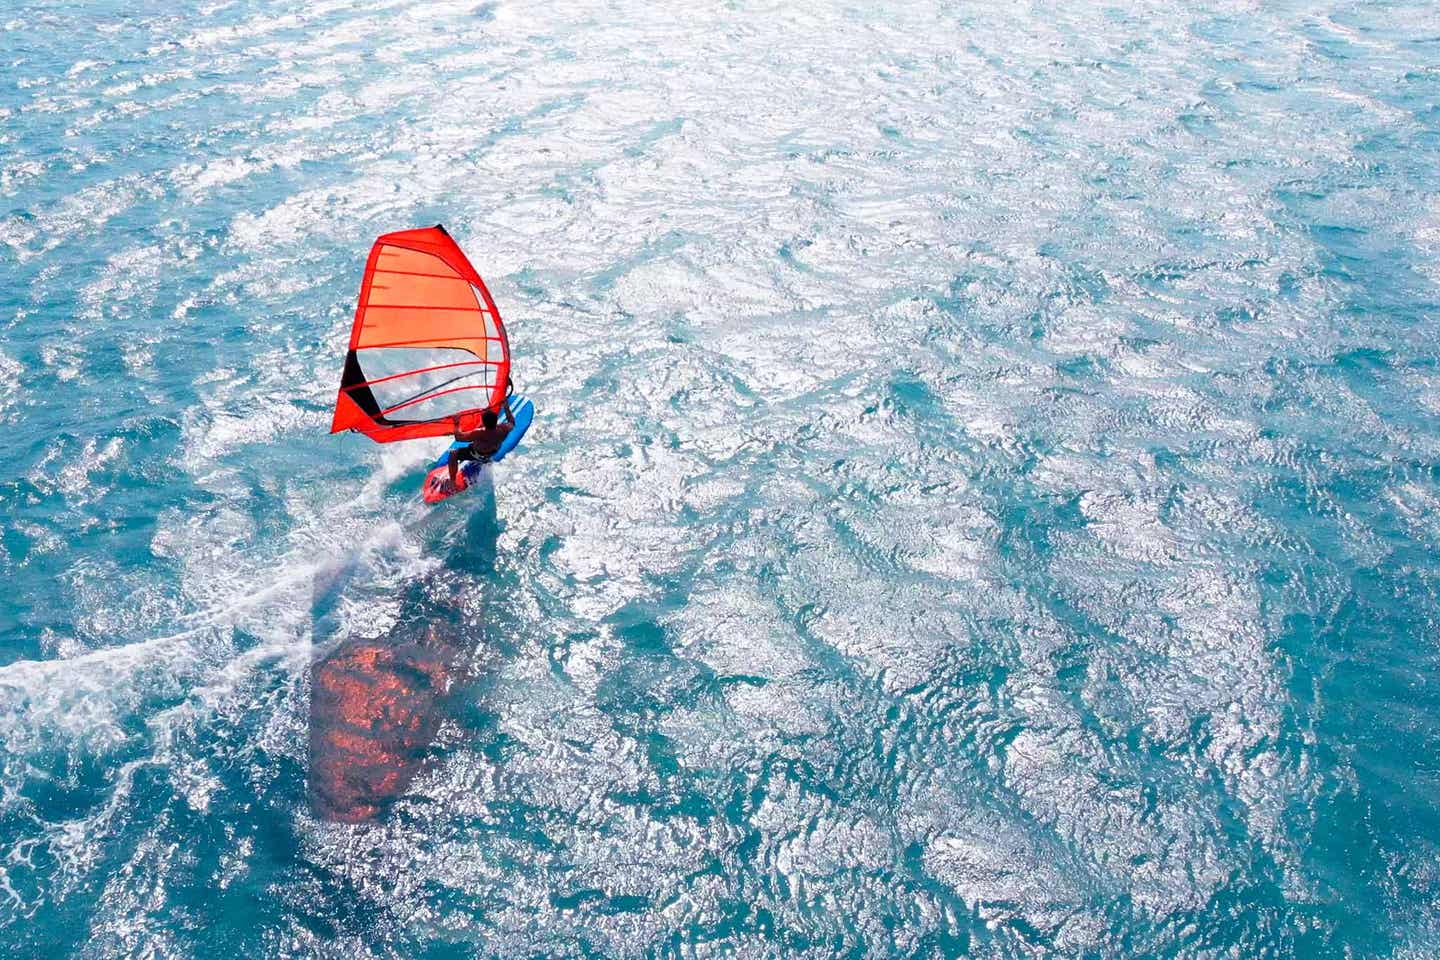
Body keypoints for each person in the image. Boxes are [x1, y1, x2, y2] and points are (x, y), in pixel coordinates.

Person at [445, 404, 513, 491]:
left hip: (477, 454)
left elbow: (459, 438)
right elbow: (512, 422)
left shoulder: (479, 433)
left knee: (453, 454)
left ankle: (452, 483)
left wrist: (456, 422)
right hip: (492, 452)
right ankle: (483, 460)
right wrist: (506, 408)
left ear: (484, 423)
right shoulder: (504, 428)